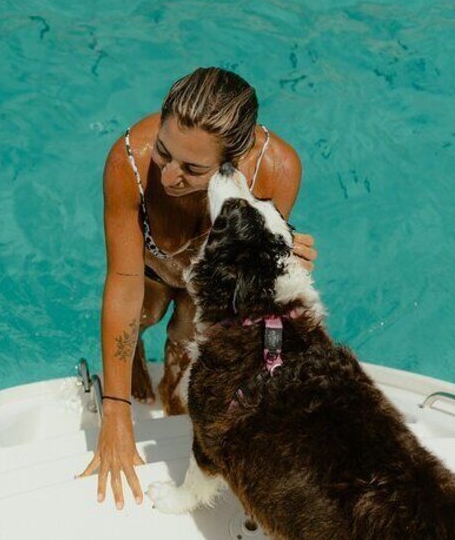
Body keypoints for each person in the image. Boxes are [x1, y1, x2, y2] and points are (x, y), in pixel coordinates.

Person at [77, 67, 318, 510]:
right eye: (164, 152)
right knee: (144, 315)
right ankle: (134, 357)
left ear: (236, 159)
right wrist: (115, 411)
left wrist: (289, 263)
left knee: (185, 347)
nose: (169, 176)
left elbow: (248, 281)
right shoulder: (129, 161)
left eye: (192, 168)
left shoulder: (276, 170)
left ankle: (171, 387)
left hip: (205, 282)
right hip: (150, 270)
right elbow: (124, 284)